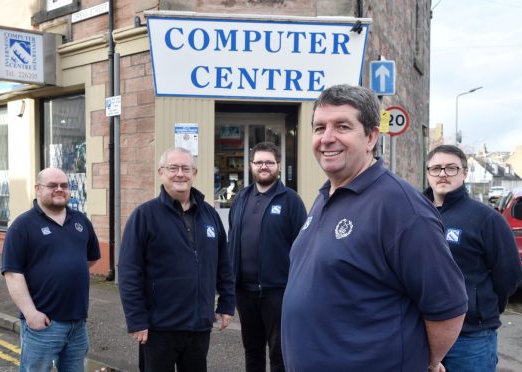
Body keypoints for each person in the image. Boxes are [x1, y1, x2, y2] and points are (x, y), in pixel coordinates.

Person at [281, 84, 468, 371]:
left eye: (342, 126)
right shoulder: (324, 198)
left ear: (370, 137)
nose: (327, 138)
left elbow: (447, 307)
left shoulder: (401, 207)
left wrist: (425, 361)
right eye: (319, 128)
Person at [118, 147, 235, 372]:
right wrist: (136, 319)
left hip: (199, 325)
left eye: (185, 168)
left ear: (194, 173)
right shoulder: (144, 216)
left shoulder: (210, 215)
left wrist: (227, 303)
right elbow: (129, 272)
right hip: (159, 327)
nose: (180, 174)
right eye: (173, 168)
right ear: (161, 172)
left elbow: (224, 264)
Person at [424, 145, 522, 372]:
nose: (443, 174)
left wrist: (483, 305)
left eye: (451, 168)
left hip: (470, 337)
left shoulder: (486, 219)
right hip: (421, 332)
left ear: (464, 173)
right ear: (427, 172)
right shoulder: (413, 212)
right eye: (436, 168)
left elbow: (509, 273)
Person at [1, 167, 101, 372]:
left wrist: (67, 270)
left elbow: (89, 260)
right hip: (43, 323)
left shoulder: (81, 221)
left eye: (64, 185)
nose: (59, 189)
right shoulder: (22, 226)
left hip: (77, 323)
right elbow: (12, 274)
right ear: (38, 189)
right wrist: (31, 315)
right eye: (52, 185)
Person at [228, 142, 307, 372]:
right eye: (259, 162)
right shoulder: (241, 198)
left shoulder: (291, 201)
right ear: (251, 165)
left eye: (269, 162)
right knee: (252, 350)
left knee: (279, 352)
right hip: (244, 291)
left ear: (278, 166)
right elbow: (233, 240)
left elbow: (303, 248)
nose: (264, 166)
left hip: (278, 291)